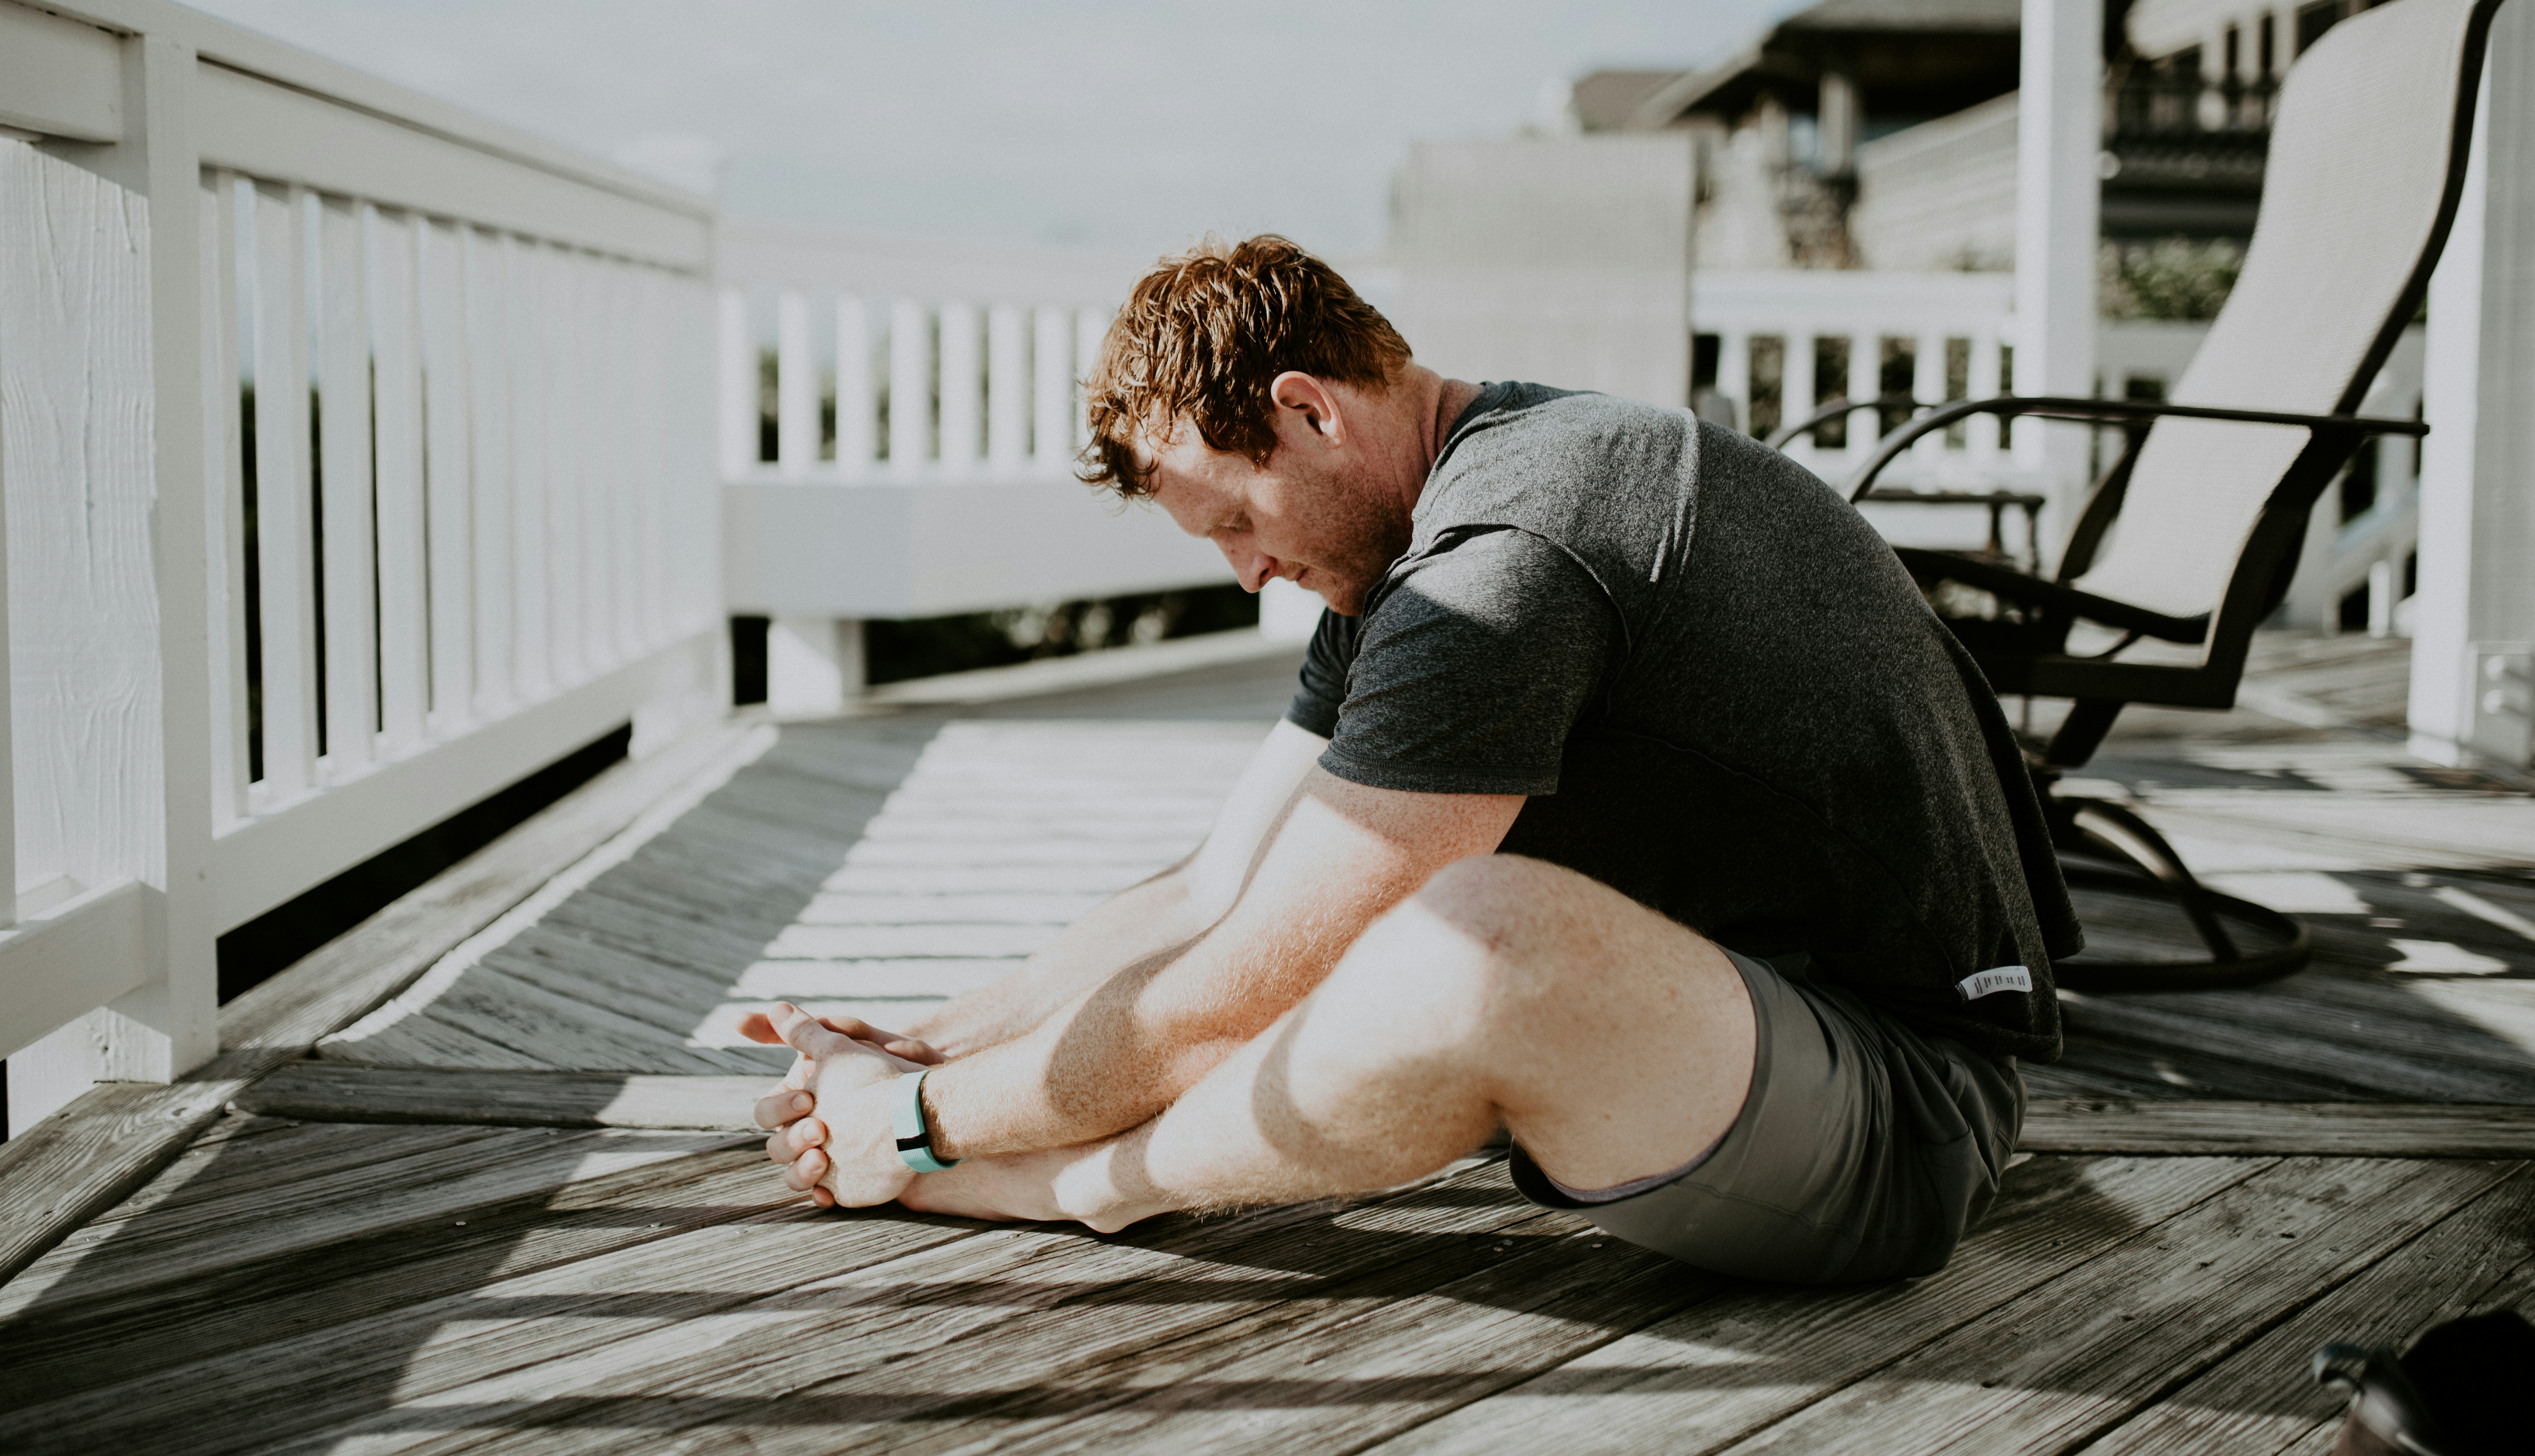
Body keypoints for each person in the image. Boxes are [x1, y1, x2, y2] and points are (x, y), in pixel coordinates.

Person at [744, 235, 2078, 1286]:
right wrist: (922, 1044)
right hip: (1716, 1038)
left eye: (1234, 520)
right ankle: (1015, 1152)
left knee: (1468, 943)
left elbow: (1241, 988)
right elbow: (1217, 891)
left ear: (1309, 410)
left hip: (1901, 1111)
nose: (1248, 570)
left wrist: (928, 1129)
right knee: (1352, 917)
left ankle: (1078, 1191)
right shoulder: (1412, 548)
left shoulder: (1506, 561)